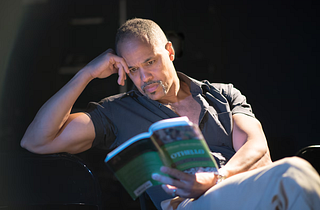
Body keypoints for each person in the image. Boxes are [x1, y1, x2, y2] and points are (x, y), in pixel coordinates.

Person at [21, 18, 320, 210]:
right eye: (133, 69)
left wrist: (216, 178)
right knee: (294, 173)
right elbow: (36, 141)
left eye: (150, 62)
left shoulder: (221, 94)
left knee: (292, 176)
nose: (144, 77)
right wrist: (86, 73)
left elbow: (257, 147)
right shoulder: (118, 111)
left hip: (238, 190)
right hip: (186, 205)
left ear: (170, 51)